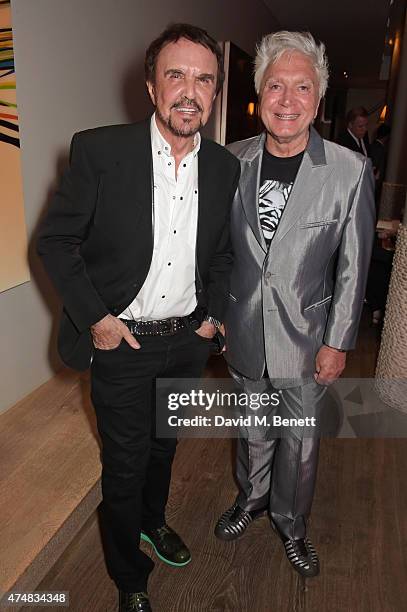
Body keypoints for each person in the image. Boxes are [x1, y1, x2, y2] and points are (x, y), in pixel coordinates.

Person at [37, 23, 240, 612]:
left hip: (186, 341)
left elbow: (223, 255)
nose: (189, 91)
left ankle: (153, 523)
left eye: (204, 79)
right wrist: (97, 317)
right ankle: (130, 577)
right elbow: (55, 242)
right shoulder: (99, 151)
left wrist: (214, 316)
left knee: (163, 448)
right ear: (151, 87)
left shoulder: (224, 168)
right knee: (123, 466)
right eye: (175, 75)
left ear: (215, 93)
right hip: (121, 342)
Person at [214, 31, 375, 578]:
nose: (287, 99)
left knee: (300, 440)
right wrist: (217, 315)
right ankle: (250, 499)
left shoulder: (349, 172)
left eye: (301, 87)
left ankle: (290, 521)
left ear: (318, 98)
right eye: (275, 85)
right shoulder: (230, 161)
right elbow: (213, 250)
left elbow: (354, 263)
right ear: (259, 94)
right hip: (242, 326)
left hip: (308, 336)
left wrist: (338, 341)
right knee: (251, 425)